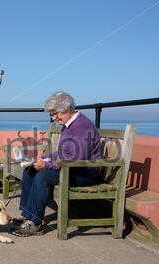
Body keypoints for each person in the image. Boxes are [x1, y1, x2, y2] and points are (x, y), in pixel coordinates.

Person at [11, 91, 101, 237]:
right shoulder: (68, 124)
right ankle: (28, 216)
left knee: (43, 176)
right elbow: (63, 153)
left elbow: (75, 159)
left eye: (56, 113)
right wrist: (43, 160)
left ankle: (36, 223)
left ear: (68, 108)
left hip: (84, 173)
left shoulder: (82, 127)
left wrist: (46, 166)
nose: (54, 117)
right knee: (30, 170)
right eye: (51, 114)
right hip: (71, 169)